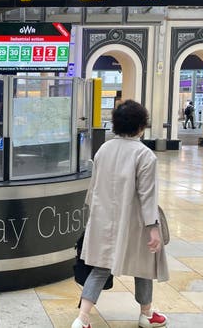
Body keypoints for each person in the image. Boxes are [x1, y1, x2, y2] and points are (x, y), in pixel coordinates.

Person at [72, 100, 168, 328]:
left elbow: (93, 188)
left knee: (101, 267)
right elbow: (147, 196)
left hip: (104, 219)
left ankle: (82, 318)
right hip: (134, 222)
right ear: (141, 126)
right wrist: (153, 228)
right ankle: (146, 314)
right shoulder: (144, 155)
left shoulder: (104, 149)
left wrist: (93, 217)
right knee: (143, 263)